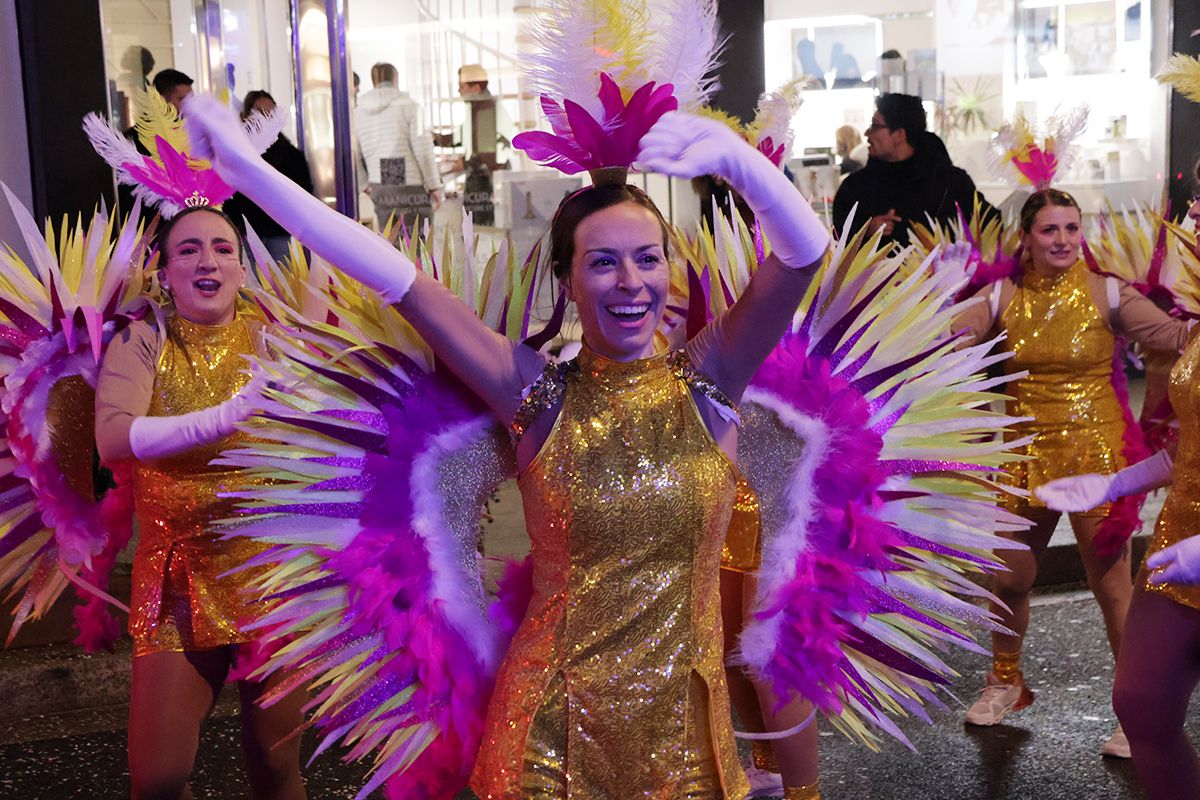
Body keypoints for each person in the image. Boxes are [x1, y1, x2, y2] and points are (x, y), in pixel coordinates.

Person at [182, 91, 829, 798]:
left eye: (647, 259)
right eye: (603, 263)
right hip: (548, 732)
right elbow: (395, 278)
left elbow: (801, 255)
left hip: (687, 745)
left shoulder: (710, 381)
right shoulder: (535, 392)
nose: (631, 282)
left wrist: (744, 166)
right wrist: (250, 174)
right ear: (568, 282)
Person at [952, 188, 1191, 757]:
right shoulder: (1002, 295)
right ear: (1026, 239)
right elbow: (951, 336)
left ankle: (1139, 710)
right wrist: (935, 319)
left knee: (1112, 589)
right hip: (1022, 455)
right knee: (1009, 576)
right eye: (1049, 230)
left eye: (1071, 228)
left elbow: (1172, 337)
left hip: (1096, 456)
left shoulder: (1106, 291)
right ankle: (1005, 679)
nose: (1062, 240)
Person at [96, 206, 307, 800]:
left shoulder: (278, 335)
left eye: (222, 248)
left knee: (275, 770)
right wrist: (231, 414)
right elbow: (113, 438)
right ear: (163, 273)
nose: (207, 260)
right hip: (178, 582)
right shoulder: (143, 339)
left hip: (274, 576)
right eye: (187, 249)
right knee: (157, 781)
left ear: (242, 268)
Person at [1037, 187, 1200, 799]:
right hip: (1176, 549)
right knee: (1142, 705)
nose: (1194, 217)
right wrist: (1115, 482)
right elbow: (1192, 450)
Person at [832, 93, 993, 246]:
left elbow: (988, 224)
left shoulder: (950, 183)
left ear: (900, 135)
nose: (867, 133)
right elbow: (835, 242)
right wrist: (865, 231)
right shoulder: (855, 187)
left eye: (875, 125)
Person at [223, 91, 314, 264]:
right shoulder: (235, 153)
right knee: (247, 285)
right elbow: (226, 194)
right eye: (259, 112)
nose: (266, 118)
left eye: (270, 112)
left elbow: (304, 192)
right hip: (244, 232)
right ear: (245, 117)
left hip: (278, 232)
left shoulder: (291, 155)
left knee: (280, 285)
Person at [354, 62, 442, 231]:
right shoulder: (411, 106)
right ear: (396, 79)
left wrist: (364, 184)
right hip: (411, 186)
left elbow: (355, 154)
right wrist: (434, 185)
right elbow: (423, 149)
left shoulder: (359, 112)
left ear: (373, 81)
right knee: (419, 245)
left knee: (391, 246)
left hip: (380, 185)